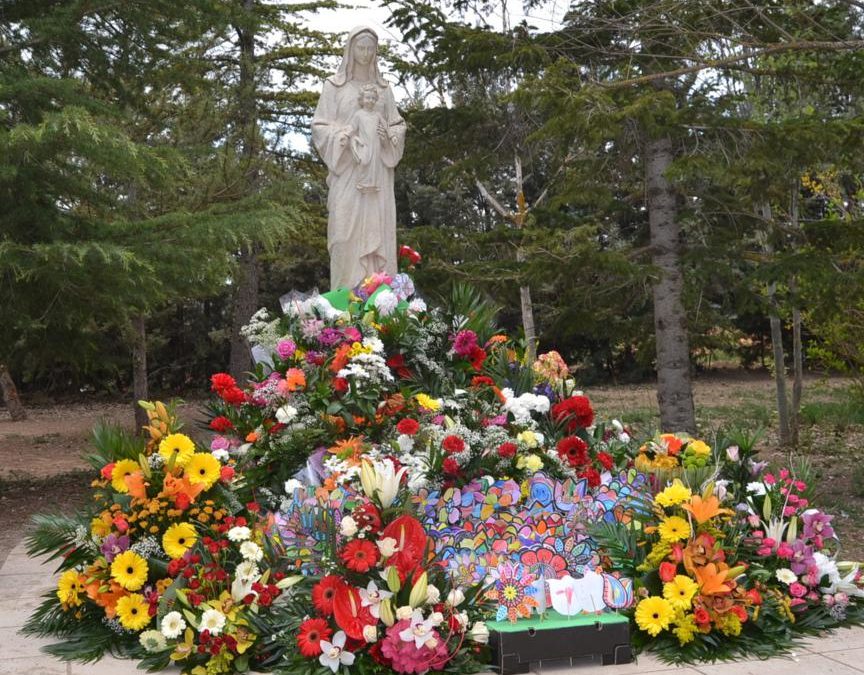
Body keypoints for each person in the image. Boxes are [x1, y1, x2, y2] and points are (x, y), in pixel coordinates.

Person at [311, 26, 406, 290]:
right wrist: (344, 138)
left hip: (377, 178)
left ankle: (381, 305)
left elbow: (398, 125)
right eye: (360, 48)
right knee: (342, 237)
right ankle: (342, 309)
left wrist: (389, 135)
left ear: (376, 52)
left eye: (370, 49)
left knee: (380, 239)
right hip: (347, 174)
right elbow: (320, 126)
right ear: (350, 49)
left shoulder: (384, 90)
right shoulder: (334, 87)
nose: (365, 54)